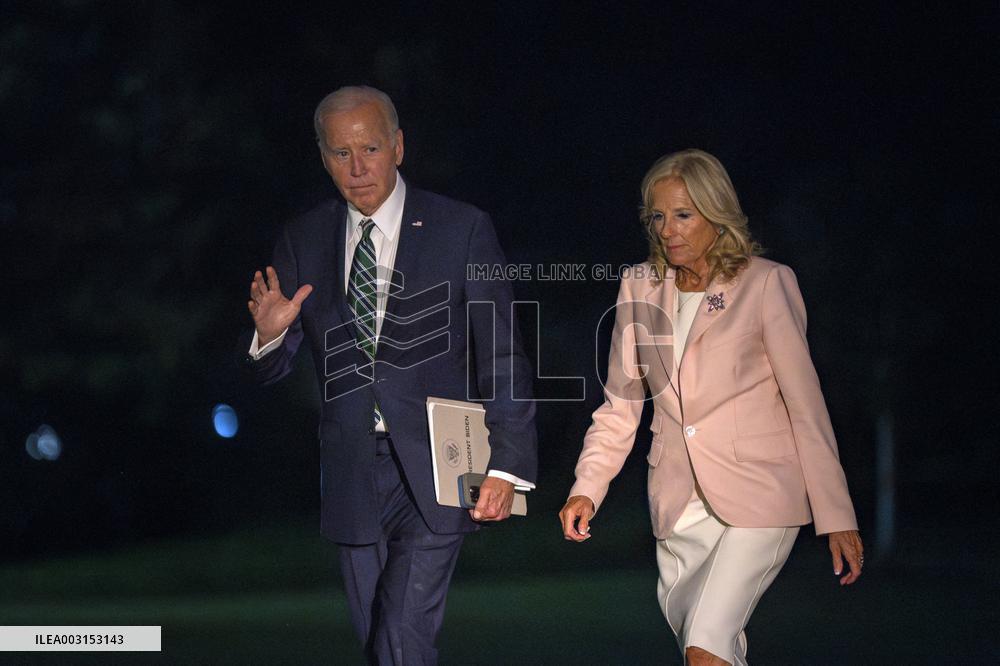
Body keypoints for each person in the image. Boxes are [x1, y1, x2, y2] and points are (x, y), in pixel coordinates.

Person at [240, 85, 537, 664]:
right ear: (323, 157)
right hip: (352, 471)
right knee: (381, 644)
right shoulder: (303, 238)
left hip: (441, 464)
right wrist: (270, 335)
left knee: (400, 635)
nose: (357, 169)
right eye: (340, 154)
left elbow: (503, 355)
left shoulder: (462, 229)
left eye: (370, 149)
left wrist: (507, 465)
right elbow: (272, 371)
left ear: (398, 147)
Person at [559, 149, 863, 666]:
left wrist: (836, 513)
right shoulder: (639, 285)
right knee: (710, 654)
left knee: (706, 647)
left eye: (683, 214)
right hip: (678, 504)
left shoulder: (766, 283)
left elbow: (806, 407)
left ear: (715, 213)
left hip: (761, 494)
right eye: (657, 216)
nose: (668, 230)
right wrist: (587, 487)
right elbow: (620, 406)